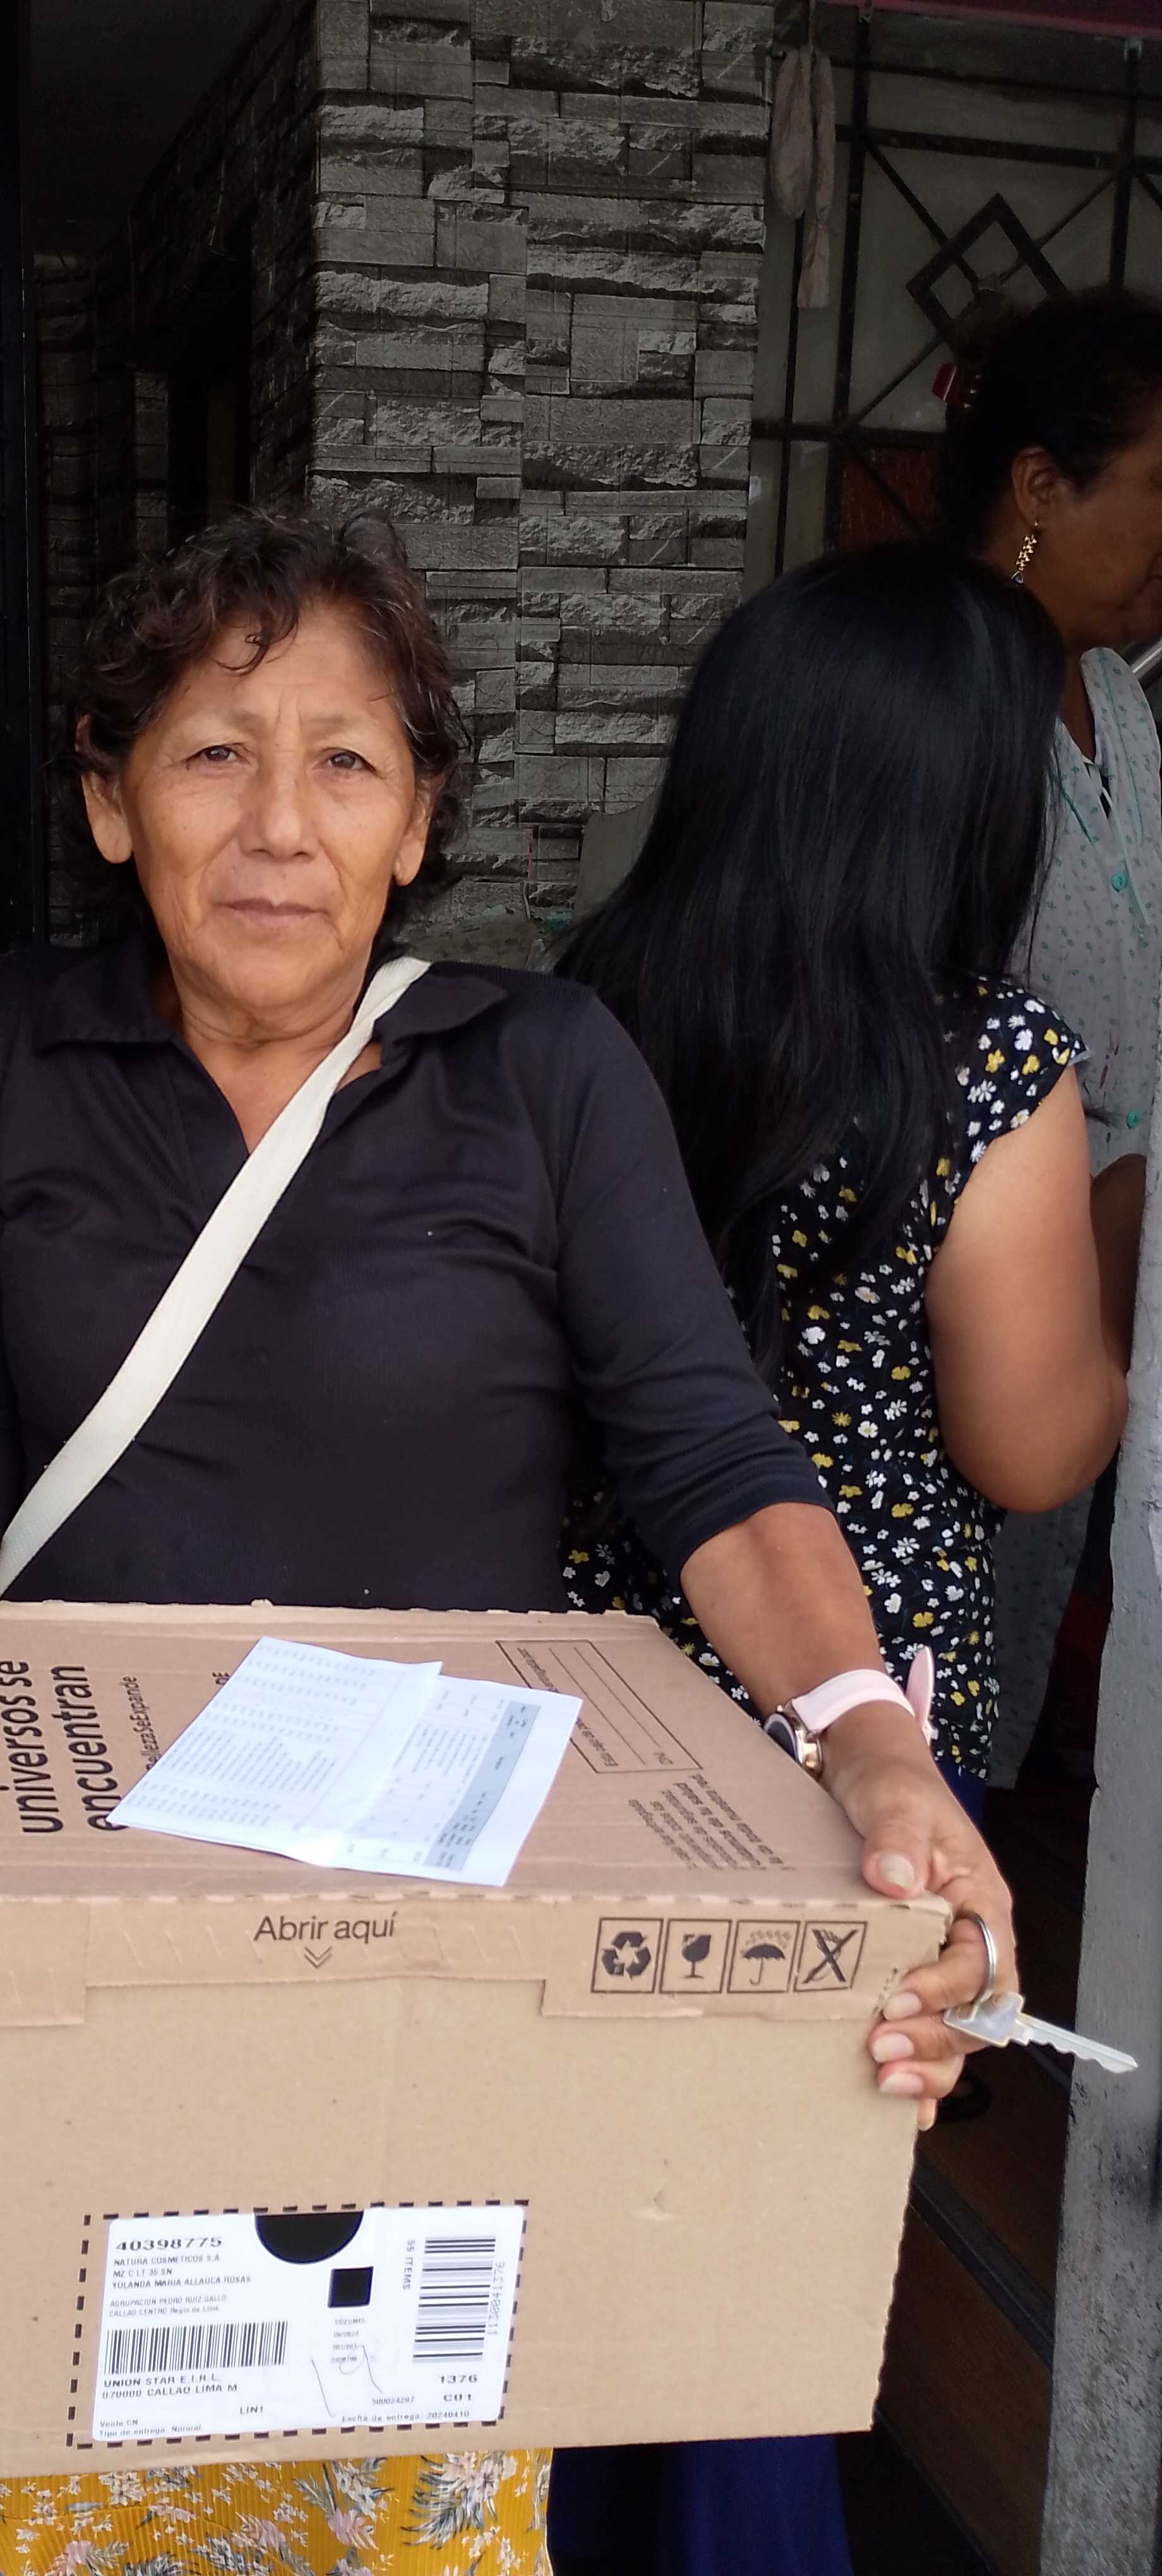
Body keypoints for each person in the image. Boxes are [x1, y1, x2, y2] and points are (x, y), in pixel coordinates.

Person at [0, 509, 1019, 2576]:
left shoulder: (541, 1069)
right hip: (95, 1924)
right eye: (213, 754)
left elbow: (708, 1457)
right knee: (69, 2456)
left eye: (346, 763)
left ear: (417, 820)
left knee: (393, 2467)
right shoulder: (22, 1043)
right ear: (112, 801)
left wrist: (869, 1741)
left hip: (432, 1937)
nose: (278, 824)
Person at [552, 543, 1128, 2576]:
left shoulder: (583, 1010)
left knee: (560, 2212)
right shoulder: (987, 1065)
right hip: (850, 1729)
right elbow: (1032, 1441)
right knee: (761, 2271)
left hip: (586, 1709)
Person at [938, 285, 1162, 1775]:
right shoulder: (943, 710)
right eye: (1158, 486)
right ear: (1039, 485)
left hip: (1103, 1305)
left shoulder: (1122, 707)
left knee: (1017, 1686)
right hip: (974, 1315)